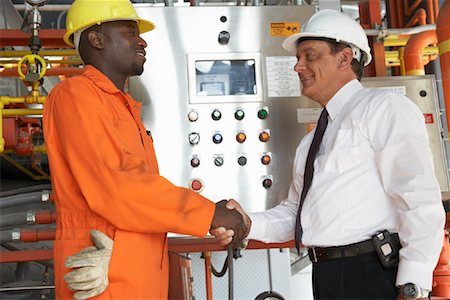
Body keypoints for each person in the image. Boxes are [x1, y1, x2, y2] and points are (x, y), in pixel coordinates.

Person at [212, 9, 446, 300]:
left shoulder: (385, 108)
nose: (298, 67)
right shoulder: (311, 141)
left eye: (309, 56)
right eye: (298, 58)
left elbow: (419, 199)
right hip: (327, 276)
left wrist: (413, 286)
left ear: (345, 58)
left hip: (373, 273)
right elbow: (296, 214)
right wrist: (247, 223)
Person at [42, 0, 247, 299]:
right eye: (129, 32)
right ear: (96, 39)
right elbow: (118, 188)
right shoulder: (76, 96)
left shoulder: (122, 105)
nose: (142, 41)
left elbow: (142, 190)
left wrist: (211, 215)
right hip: (104, 273)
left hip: (137, 270)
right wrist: (209, 214)